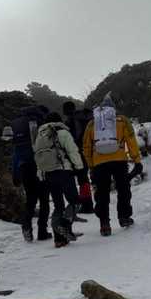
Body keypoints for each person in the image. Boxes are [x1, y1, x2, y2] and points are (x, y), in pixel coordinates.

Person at [81, 94, 142, 236]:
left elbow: (86, 146)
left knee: (102, 193)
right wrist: (136, 160)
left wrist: (91, 165)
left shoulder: (92, 124)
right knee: (123, 189)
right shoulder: (122, 120)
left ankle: (104, 224)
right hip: (119, 160)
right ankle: (124, 217)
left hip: (99, 163)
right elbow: (131, 140)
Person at [34, 110, 85, 246]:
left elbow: (38, 156)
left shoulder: (40, 135)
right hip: (63, 171)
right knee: (75, 201)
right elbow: (72, 151)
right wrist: (79, 167)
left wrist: (41, 174)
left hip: (48, 174)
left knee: (58, 205)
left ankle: (59, 239)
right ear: (59, 121)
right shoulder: (62, 132)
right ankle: (64, 225)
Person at [9, 104, 50, 242]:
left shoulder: (19, 125)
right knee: (44, 199)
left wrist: (15, 174)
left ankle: (26, 226)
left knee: (31, 199)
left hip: (24, 166)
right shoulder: (40, 122)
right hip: (40, 165)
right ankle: (42, 231)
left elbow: (16, 153)